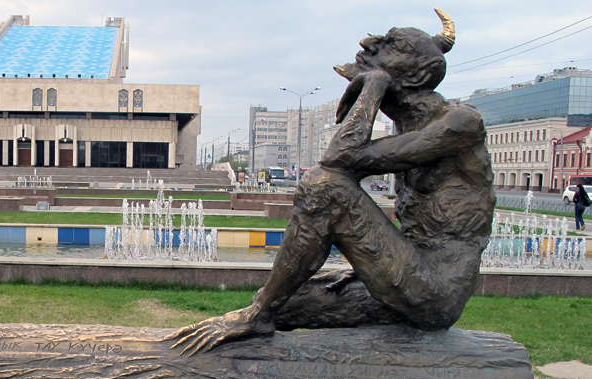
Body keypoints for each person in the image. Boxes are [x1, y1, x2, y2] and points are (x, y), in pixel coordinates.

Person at [172, 9, 495, 355]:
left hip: (434, 292)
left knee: (323, 188)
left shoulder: (461, 123)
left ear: (418, 72)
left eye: (390, 45)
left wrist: (371, 87)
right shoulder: (412, 125)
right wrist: (363, 266)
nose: (369, 44)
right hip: (408, 273)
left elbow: (340, 163)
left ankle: (257, 315)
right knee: (289, 303)